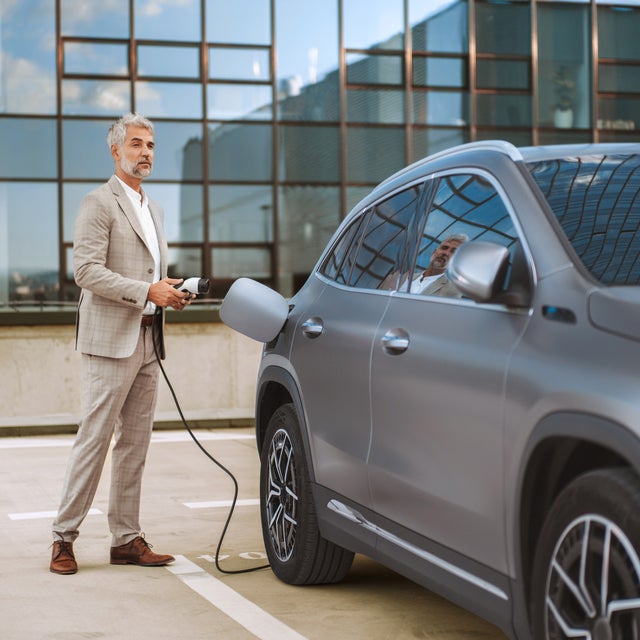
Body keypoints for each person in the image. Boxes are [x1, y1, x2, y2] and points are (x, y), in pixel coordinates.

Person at [50, 113, 193, 575]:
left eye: (150, 144)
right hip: (110, 341)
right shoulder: (98, 203)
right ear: (116, 151)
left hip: (149, 340)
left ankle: (126, 538)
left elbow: (145, 275)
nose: (145, 152)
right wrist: (145, 290)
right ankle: (63, 538)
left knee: (135, 444)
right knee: (94, 440)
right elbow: (86, 272)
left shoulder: (155, 210)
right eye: (136, 144)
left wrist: (166, 289)